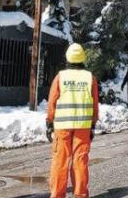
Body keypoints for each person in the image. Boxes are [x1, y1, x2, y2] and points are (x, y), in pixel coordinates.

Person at [46, 43, 99, 198]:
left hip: (62, 127)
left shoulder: (60, 77)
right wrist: (93, 124)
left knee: (60, 161)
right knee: (80, 161)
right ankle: (81, 194)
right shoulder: (90, 78)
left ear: (68, 57)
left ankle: (57, 195)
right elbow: (94, 104)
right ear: (83, 57)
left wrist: (49, 122)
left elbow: (52, 101)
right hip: (83, 127)